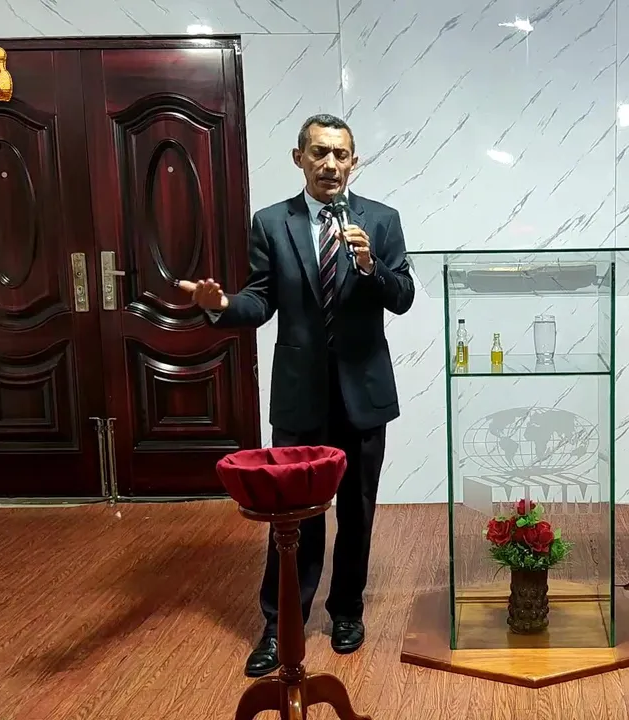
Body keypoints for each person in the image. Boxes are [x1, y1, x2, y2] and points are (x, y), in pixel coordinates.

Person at [178, 113, 415, 677]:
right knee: (292, 517)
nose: (330, 164)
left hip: (363, 392)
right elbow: (260, 300)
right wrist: (220, 305)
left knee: (357, 510)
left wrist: (371, 266)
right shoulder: (271, 223)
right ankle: (279, 624)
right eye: (318, 153)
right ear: (298, 158)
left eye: (340, 154)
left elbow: (403, 295)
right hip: (299, 394)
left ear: (354, 162)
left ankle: (347, 610)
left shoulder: (381, 221)